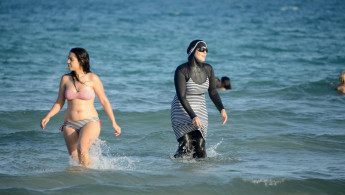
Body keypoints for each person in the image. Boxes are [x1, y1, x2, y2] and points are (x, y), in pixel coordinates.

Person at [40, 48, 121, 167]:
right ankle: (81, 181)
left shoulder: (93, 78)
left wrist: (114, 122)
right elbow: (59, 102)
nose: (67, 61)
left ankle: (88, 178)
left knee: (82, 149)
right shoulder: (65, 79)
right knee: (74, 158)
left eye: (71, 59)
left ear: (81, 60)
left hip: (90, 122)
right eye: (68, 59)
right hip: (69, 124)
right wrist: (48, 116)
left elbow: (104, 101)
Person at [171, 40, 228, 158]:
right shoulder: (182, 70)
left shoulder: (208, 69)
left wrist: (221, 109)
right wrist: (193, 116)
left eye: (206, 49)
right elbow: (181, 96)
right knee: (186, 147)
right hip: (182, 110)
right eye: (201, 49)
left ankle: (200, 174)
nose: (205, 52)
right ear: (192, 51)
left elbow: (213, 92)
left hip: (200, 110)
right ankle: (176, 169)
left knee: (200, 148)